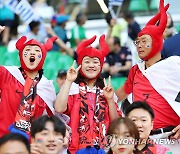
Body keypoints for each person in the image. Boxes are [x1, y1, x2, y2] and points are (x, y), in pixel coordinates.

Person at [116, 0, 180, 153]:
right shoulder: (136, 70)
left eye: (144, 41)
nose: (139, 45)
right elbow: (116, 96)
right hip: (144, 144)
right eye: (137, 42)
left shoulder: (175, 64)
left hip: (174, 139)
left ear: (158, 43)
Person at [55, 35, 121, 153]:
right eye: (87, 62)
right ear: (80, 65)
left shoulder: (105, 90)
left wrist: (110, 100)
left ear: (100, 66)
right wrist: (69, 81)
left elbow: (116, 123)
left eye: (95, 62)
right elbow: (59, 109)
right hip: (76, 149)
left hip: (103, 149)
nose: (91, 65)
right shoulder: (73, 88)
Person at [0, 25, 57, 138]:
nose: (32, 53)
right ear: (21, 55)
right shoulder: (7, 74)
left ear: (43, 57)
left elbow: (51, 120)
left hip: (33, 146)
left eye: (37, 51)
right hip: (4, 141)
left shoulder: (47, 87)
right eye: (27, 50)